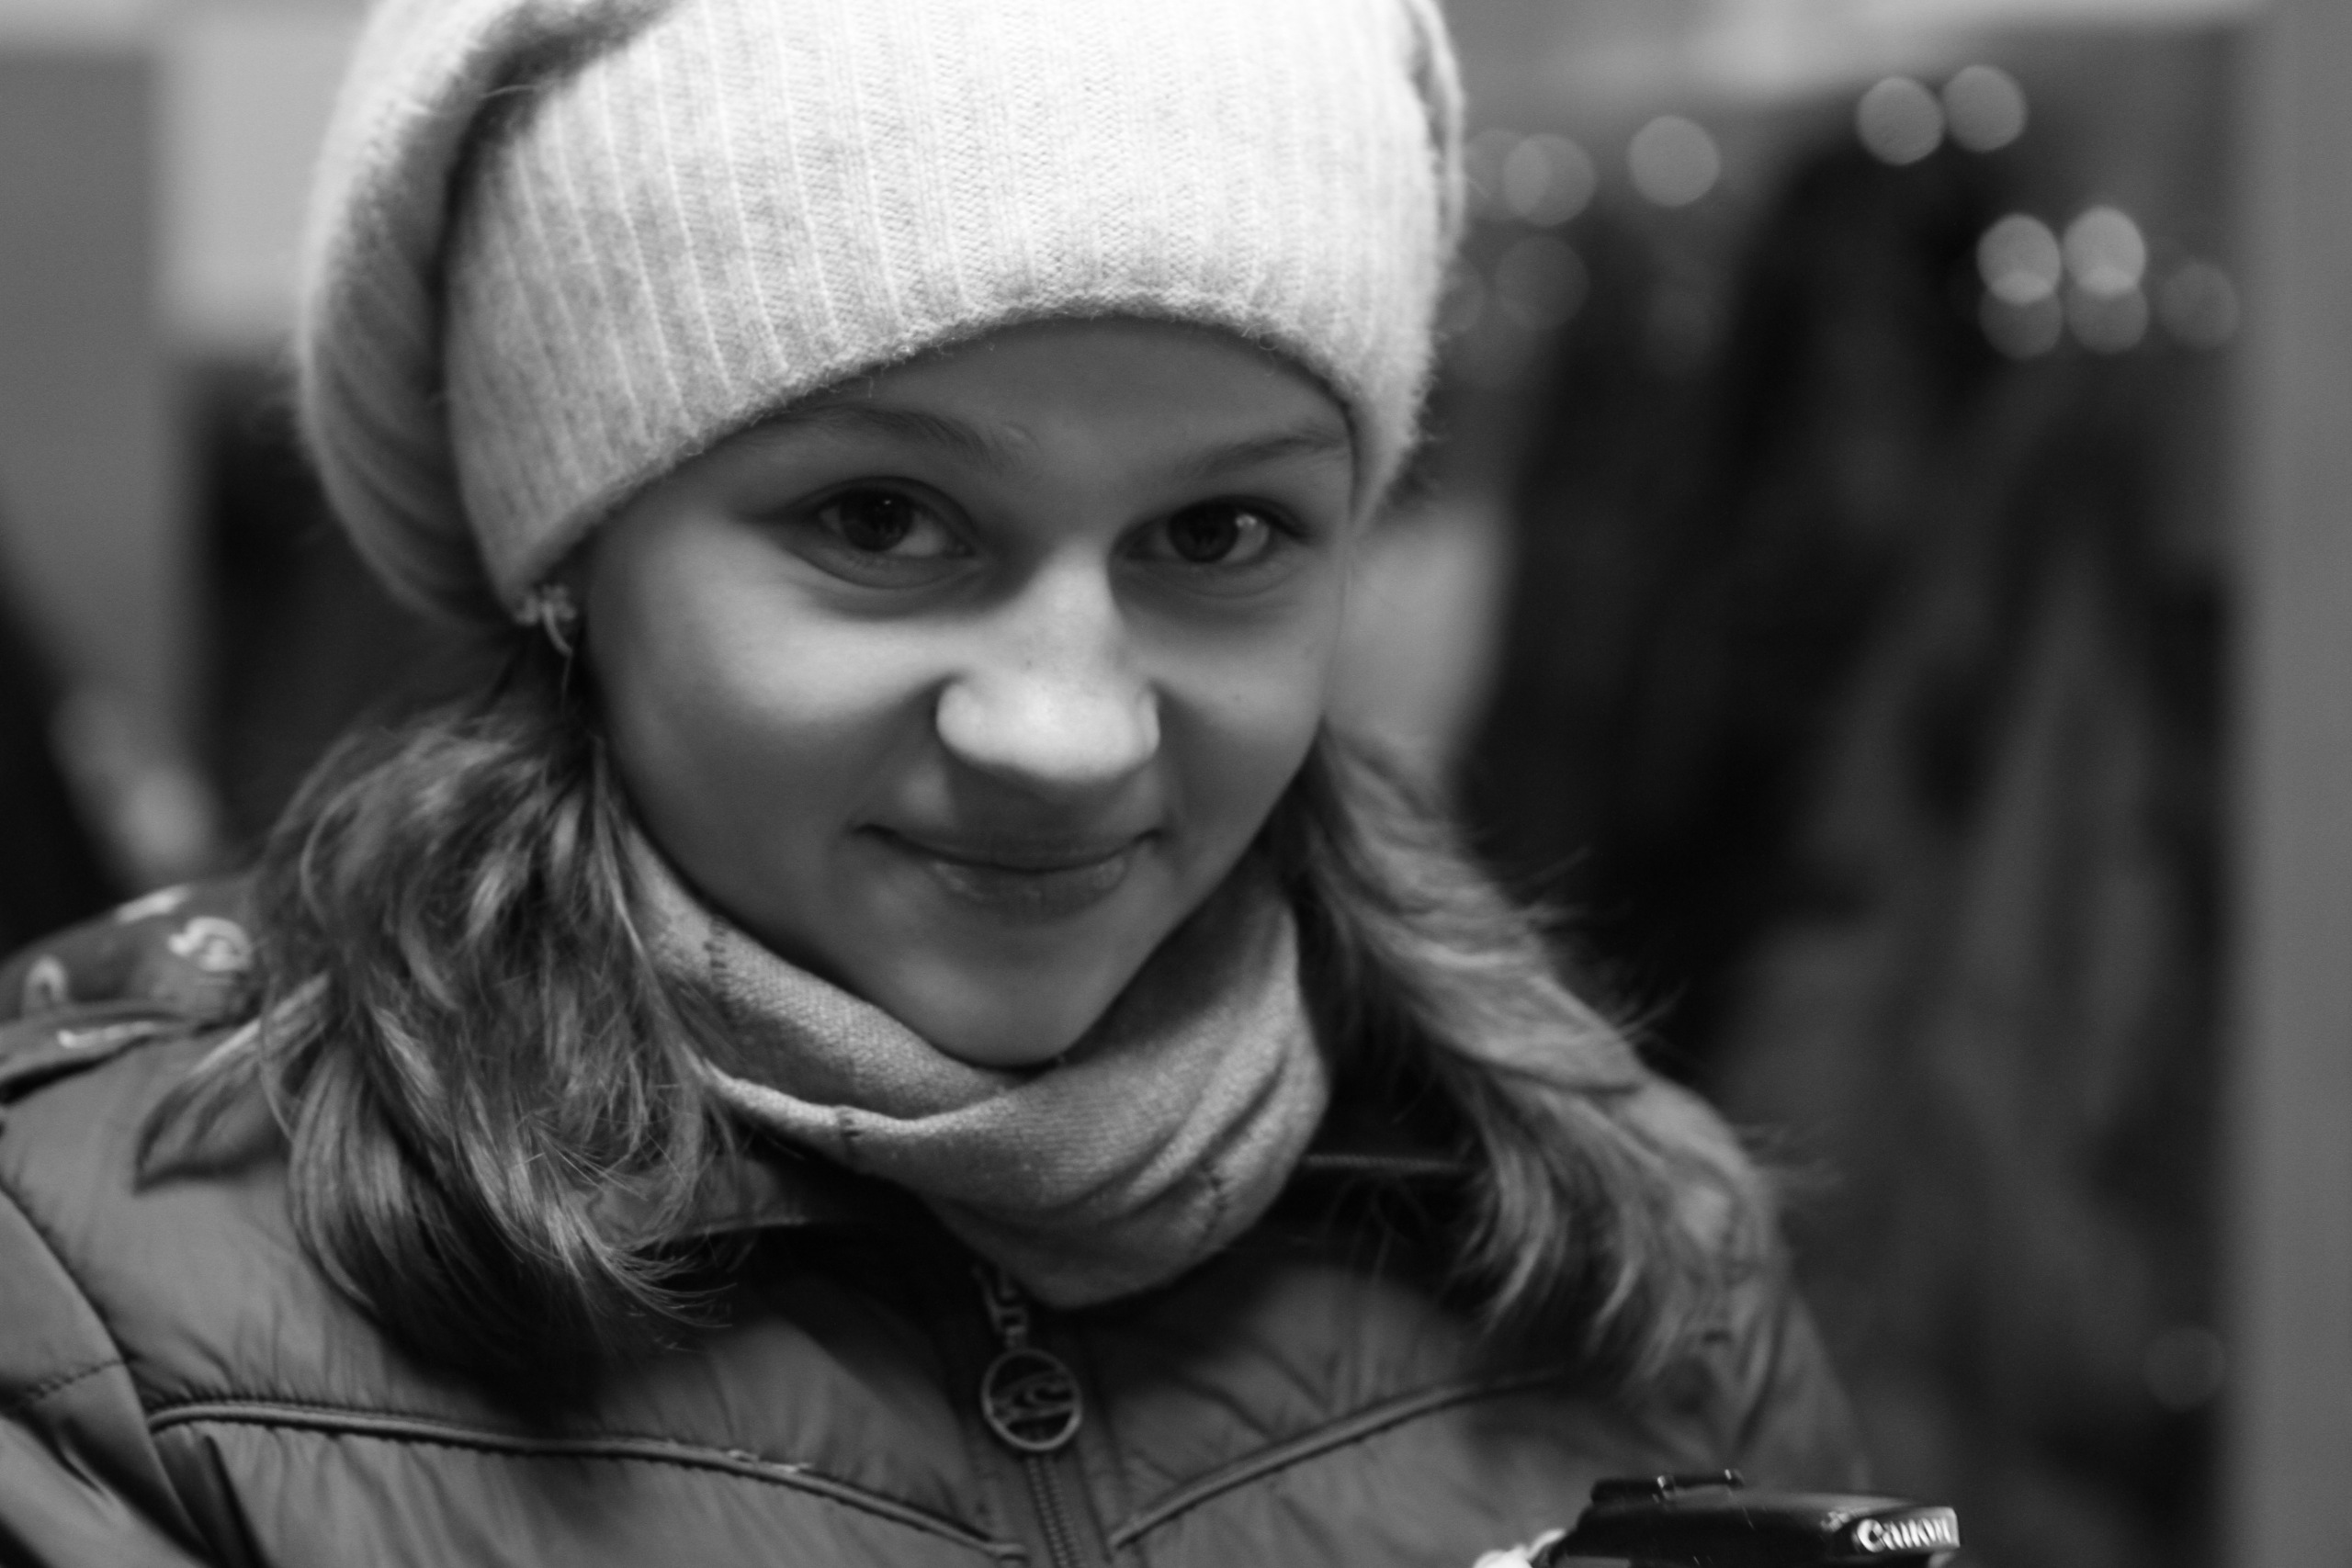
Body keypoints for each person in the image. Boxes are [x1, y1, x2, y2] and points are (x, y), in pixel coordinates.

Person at [0, 2, 1861, 1563]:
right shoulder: (100, 1315)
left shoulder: (1637, 1245)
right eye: (881, 520)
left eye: (1218, 531)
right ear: (572, 562)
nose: (1067, 731)